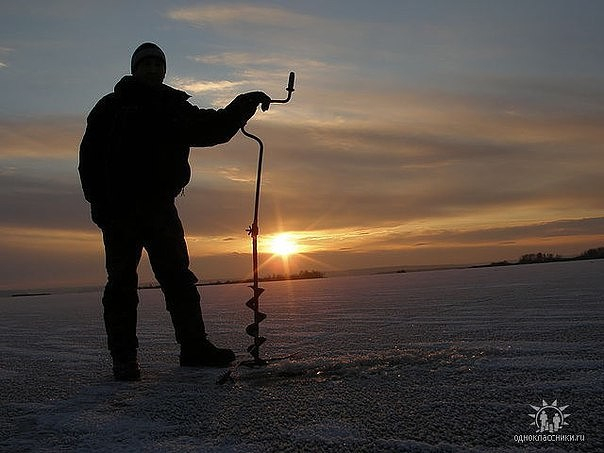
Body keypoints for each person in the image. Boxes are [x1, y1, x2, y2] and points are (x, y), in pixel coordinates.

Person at [78, 42, 270, 381]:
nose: (152, 68)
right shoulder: (110, 108)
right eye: (146, 63)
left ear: (164, 69)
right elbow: (89, 160)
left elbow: (214, 128)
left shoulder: (172, 108)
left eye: (157, 63)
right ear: (135, 68)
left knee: (179, 279)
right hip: (120, 212)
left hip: (160, 208)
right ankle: (124, 360)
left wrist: (245, 102)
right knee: (121, 283)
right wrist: (99, 205)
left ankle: (194, 348)